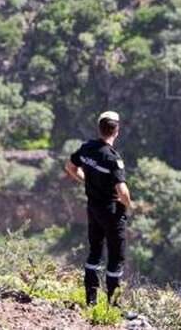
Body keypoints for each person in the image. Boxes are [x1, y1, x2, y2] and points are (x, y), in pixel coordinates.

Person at [65, 111, 132, 306]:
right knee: (116, 258)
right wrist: (129, 205)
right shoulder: (113, 159)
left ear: (99, 128)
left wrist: (85, 181)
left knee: (94, 252)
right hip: (112, 213)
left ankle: (91, 301)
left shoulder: (87, 148)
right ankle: (115, 306)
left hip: (93, 209)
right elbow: (122, 191)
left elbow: (70, 166)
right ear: (116, 131)